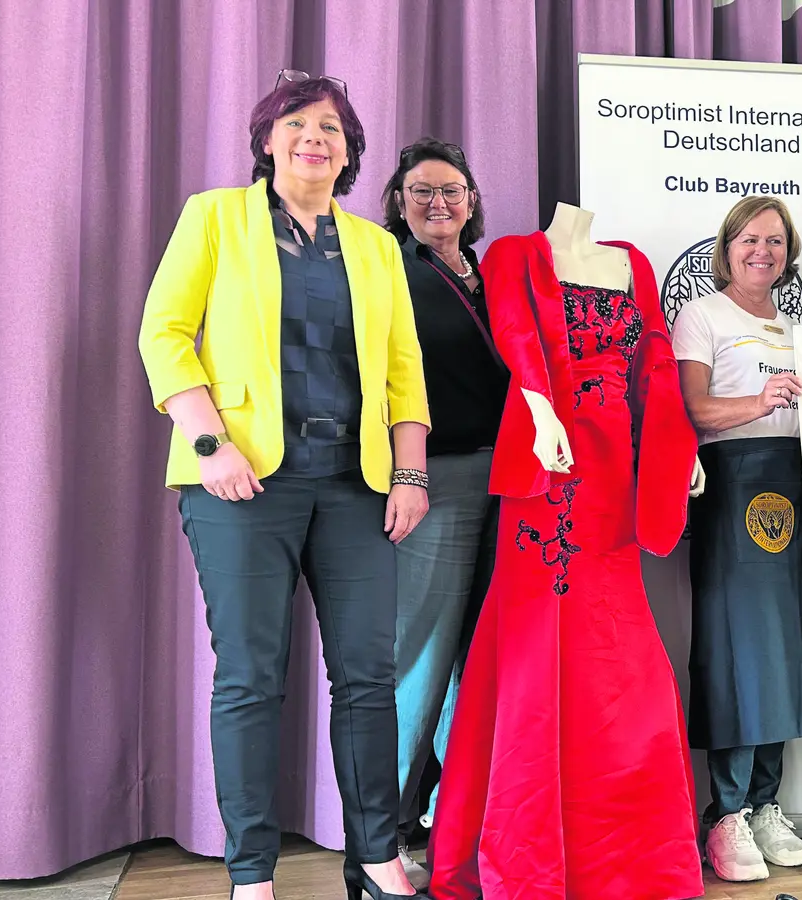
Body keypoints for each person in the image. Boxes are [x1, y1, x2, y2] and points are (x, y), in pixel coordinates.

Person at [136, 71, 427, 900]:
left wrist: (408, 474)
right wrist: (208, 443)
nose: (315, 138)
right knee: (250, 678)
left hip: (356, 489)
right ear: (267, 141)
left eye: (333, 128)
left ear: (350, 151)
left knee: (370, 678)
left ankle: (375, 858)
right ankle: (251, 876)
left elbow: (405, 373)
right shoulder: (215, 216)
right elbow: (164, 333)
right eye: (297, 124)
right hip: (241, 486)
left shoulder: (375, 246)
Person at [427, 203, 707, 900]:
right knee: (535, 645)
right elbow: (518, 337)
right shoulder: (515, 253)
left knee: (617, 647)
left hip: (615, 469)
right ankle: (527, 854)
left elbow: (658, 367)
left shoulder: (632, 262)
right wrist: (541, 410)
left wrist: (679, 452)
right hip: (548, 464)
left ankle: (633, 858)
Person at [672, 196, 802, 883]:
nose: (761, 250)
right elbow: (695, 408)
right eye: (748, 239)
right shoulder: (702, 315)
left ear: (787, 252)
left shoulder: (801, 329)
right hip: (731, 485)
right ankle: (727, 814)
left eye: (774, 241)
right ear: (727, 247)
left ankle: (767, 805)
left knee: (788, 649)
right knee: (735, 647)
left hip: (796, 488)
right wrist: (762, 401)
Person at [378, 138, 508, 881]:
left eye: (451, 191)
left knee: (478, 660)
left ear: (471, 200)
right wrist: (407, 472)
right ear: (399, 201)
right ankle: (386, 829)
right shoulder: (392, 272)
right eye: (422, 191)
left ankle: (452, 822)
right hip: (435, 478)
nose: (438, 204)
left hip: (505, 481)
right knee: (420, 659)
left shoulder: (487, 275)